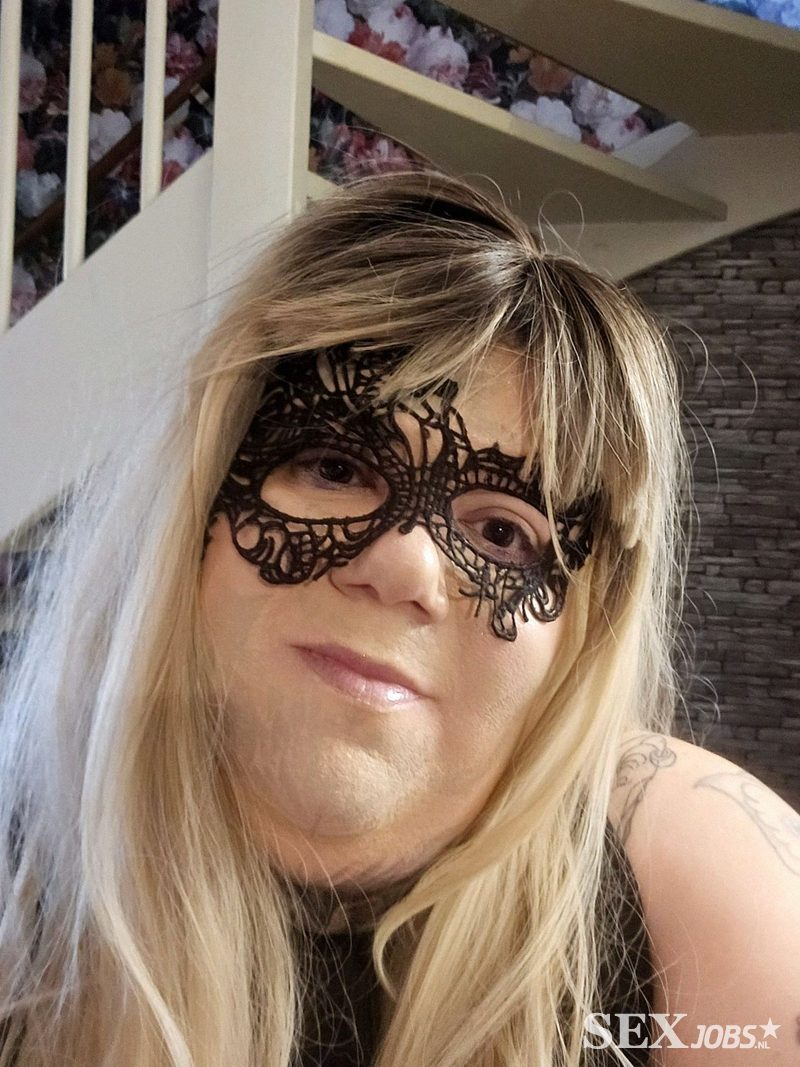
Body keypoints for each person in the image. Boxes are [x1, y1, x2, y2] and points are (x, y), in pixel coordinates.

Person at [0, 170, 798, 1067]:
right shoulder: (21, 896)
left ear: (581, 632)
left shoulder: (696, 891)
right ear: (200, 502)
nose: (404, 566)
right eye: (336, 467)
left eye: (503, 533)